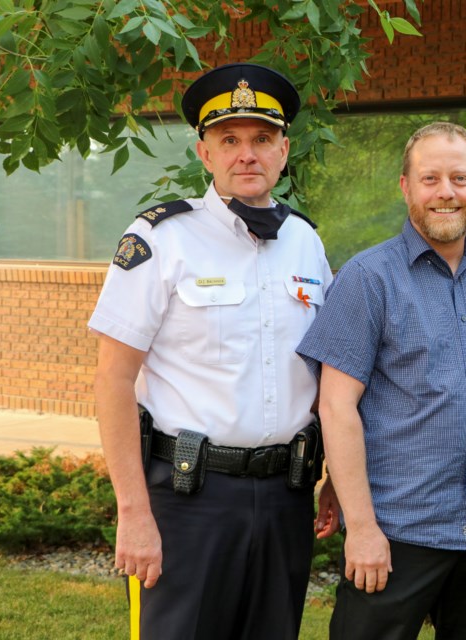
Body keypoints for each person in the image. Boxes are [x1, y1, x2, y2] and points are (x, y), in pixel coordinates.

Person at [88, 62, 340, 640]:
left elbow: (329, 373)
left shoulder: (305, 239)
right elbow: (112, 380)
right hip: (188, 501)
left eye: (261, 139)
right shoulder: (160, 239)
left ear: (283, 150)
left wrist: (337, 480)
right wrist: (133, 511)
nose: (245, 154)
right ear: (205, 154)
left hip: (286, 497)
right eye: (230, 140)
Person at [297, 122, 466, 640]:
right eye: (430, 178)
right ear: (405, 186)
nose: (446, 192)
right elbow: (336, 407)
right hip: (396, 536)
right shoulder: (368, 278)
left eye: (460, 178)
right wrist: (363, 530)